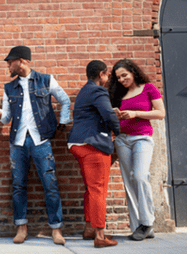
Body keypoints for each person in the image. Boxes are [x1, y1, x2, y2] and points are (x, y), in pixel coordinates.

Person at [0, 46, 70, 245]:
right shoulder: (9, 88)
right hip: (18, 142)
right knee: (18, 186)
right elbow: (6, 119)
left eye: (10, 61)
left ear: (22, 61)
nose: (8, 65)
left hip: (41, 140)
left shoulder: (46, 80)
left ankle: (56, 229)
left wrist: (62, 125)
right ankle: (21, 227)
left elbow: (65, 101)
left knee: (50, 185)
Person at [108, 59, 165, 241]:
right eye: (118, 77)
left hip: (142, 138)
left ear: (133, 72)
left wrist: (135, 113)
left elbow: (160, 113)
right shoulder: (118, 93)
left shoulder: (148, 88)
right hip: (122, 140)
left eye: (125, 75)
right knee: (129, 182)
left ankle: (147, 222)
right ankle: (137, 226)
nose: (122, 79)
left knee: (140, 176)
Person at [67, 60, 120, 248]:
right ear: (102, 74)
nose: (107, 79)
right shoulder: (98, 90)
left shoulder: (84, 90)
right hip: (93, 144)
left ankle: (89, 228)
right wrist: (118, 132)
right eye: (107, 75)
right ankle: (99, 235)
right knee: (99, 189)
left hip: (78, 144)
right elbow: (108, 114)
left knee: (91, 188)